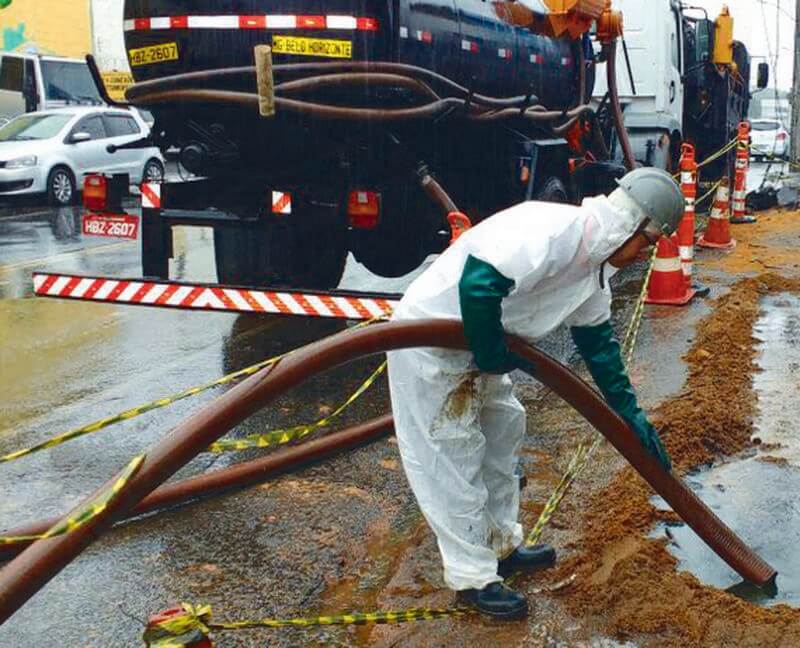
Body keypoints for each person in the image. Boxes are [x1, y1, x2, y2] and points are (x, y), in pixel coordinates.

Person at [387, 167, 684, 619]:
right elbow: (479, 284)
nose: (645, 254)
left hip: (477, 344)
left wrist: (632, 417)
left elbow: (601, 349)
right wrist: (492, 359)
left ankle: (503, 545)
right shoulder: (553, 231)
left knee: (505, 427)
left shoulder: (591, 269)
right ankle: (473, 576)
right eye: (648, 242)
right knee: (452, 452)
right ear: (633, 223)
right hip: (432, 343)